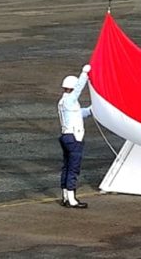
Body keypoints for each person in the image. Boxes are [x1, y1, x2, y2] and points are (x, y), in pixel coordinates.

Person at [58, 64, 92, 209]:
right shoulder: (70, 100)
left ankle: (66, 196)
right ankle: (72, 199)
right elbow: (79, 88)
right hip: (73, 138)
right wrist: (85, 73)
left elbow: (80, 113)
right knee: (73, 168)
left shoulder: (64, 102)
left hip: (66, 136)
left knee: (66, 167)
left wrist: (92, 109)